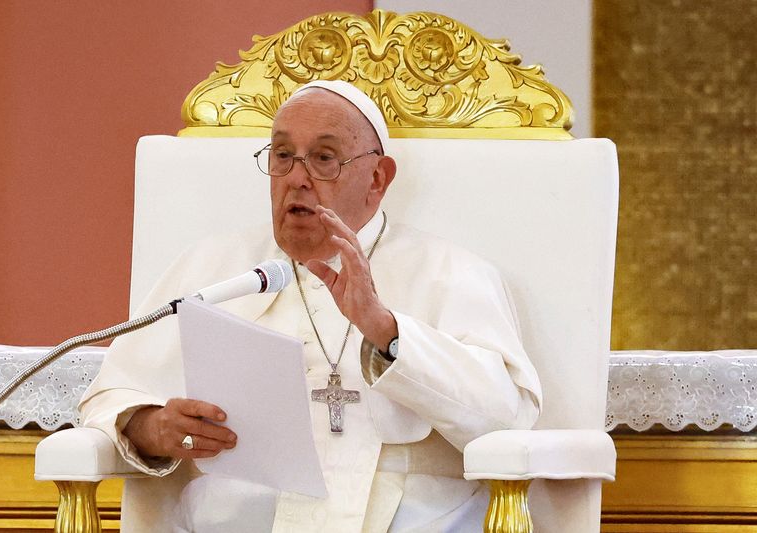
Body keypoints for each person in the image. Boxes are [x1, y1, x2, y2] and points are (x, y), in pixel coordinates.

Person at [79, 80, 542, 532]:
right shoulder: (210, 267)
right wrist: (151, 427)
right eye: (282, 156)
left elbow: (506, 418)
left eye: (324, 158)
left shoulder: (451, 272)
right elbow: (111, 395)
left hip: (415, 516)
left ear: (377, 179)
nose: (296, 179)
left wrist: (386, 331)